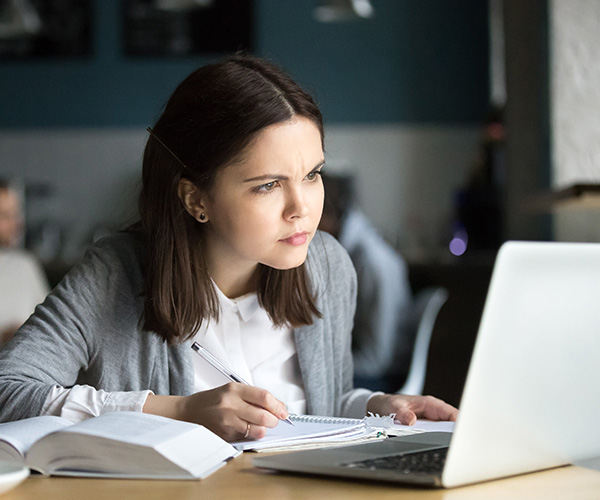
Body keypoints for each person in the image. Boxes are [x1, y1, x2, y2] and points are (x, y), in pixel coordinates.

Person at [0, 54, 457, 441]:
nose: (301, 208)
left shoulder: (327, 264)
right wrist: (177, 412)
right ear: (196, 198)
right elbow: (9, 392)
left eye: (312, 175)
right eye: (268, 185)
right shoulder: (116, 272)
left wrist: (378, 406)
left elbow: (316, 406)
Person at [319, 172, 414, 391]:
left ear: (328, 216)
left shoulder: (372, 263)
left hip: (383, 378)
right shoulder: (346, 252)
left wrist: (316, 370)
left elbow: (376, 360)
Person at [0, 179, 49, 344]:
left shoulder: (25, 264)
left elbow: (50, 325)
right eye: (5, 215)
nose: (17, 224)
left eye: (16, 214)